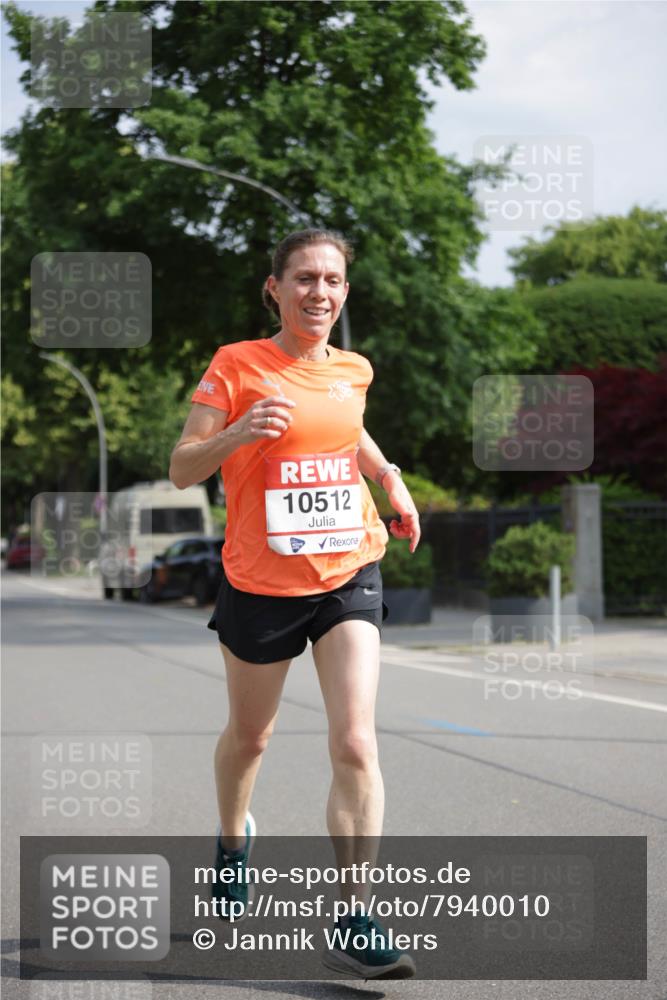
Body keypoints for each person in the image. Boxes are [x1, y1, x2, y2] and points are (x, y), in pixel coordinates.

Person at [169, 229, 421, 980]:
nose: (320, 291)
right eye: (305, 278)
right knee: (251, 739)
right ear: (273, 288)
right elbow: (182, 467)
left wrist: (389, 477)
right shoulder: (235, 365)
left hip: (348, 568)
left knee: (355, 742)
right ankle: (232, 838)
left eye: (333, 280)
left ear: (345, 293)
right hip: (260, 581)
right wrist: (239, 431)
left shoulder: (353, 368)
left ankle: (353, 913)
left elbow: (347, 429)